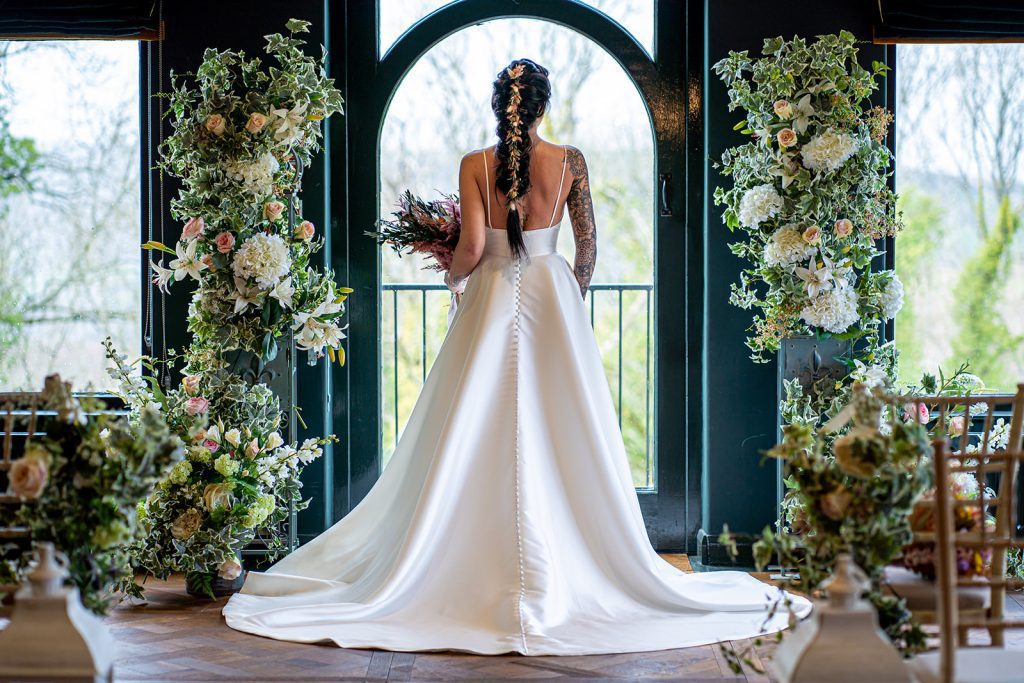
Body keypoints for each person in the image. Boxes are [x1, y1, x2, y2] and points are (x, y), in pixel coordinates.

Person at [222, 58, 811, 656]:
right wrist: (571, 296)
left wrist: (452, 280)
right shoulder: (571, 161)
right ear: (543, 106)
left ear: (497, 103)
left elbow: (475, 247)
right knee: (562, 425)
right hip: (553, 297)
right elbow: (588, 244)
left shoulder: (476, 164)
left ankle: (464, 560)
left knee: (473, 424)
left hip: (494, 296)